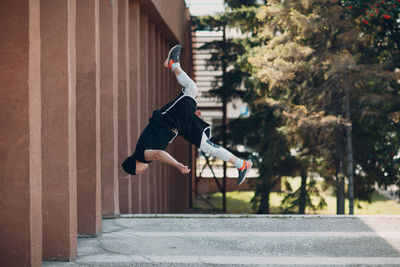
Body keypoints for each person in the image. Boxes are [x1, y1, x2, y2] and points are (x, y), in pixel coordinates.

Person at [122, 45, 252, 185]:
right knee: (206, 145)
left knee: (191, 89)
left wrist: (177, 165)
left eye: (137, 171)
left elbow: (159, 154)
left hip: (169, 118)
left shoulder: (141, 155)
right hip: (178, 126)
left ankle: (173, 64)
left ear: (134, 163)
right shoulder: (143, 154)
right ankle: (241, 165)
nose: (141, 172)